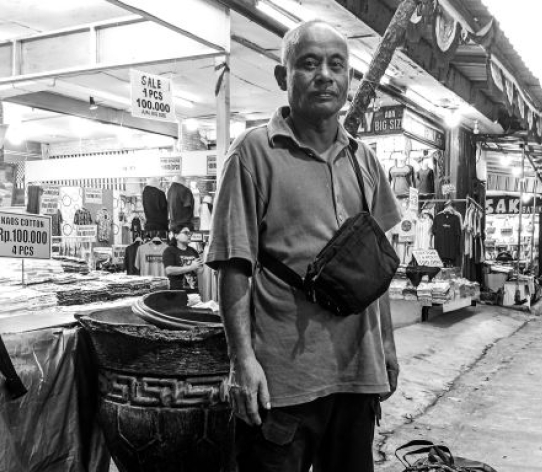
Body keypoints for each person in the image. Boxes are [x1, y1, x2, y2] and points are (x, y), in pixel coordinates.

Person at [206, 20, 401, 472]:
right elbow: (234, 267)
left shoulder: (363, 159)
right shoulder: (252, 154)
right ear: (284, 77)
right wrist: (242, 362)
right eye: (309, 64)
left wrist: (387, 347)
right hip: (282, 384)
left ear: (349, 80)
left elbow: (378, 269)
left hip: (357, 374)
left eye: (337, 65)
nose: (325, 75)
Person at [162, 224, 202, 293]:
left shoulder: (193, 250)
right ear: (176, 235)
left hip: (194, 293)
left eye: (190, 233)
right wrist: (191, 267)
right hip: (176, 293)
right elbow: (169, 270)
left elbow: (200, 270)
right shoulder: (169, 250)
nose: (189, 235)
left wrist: (197, 268)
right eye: (186, 233)